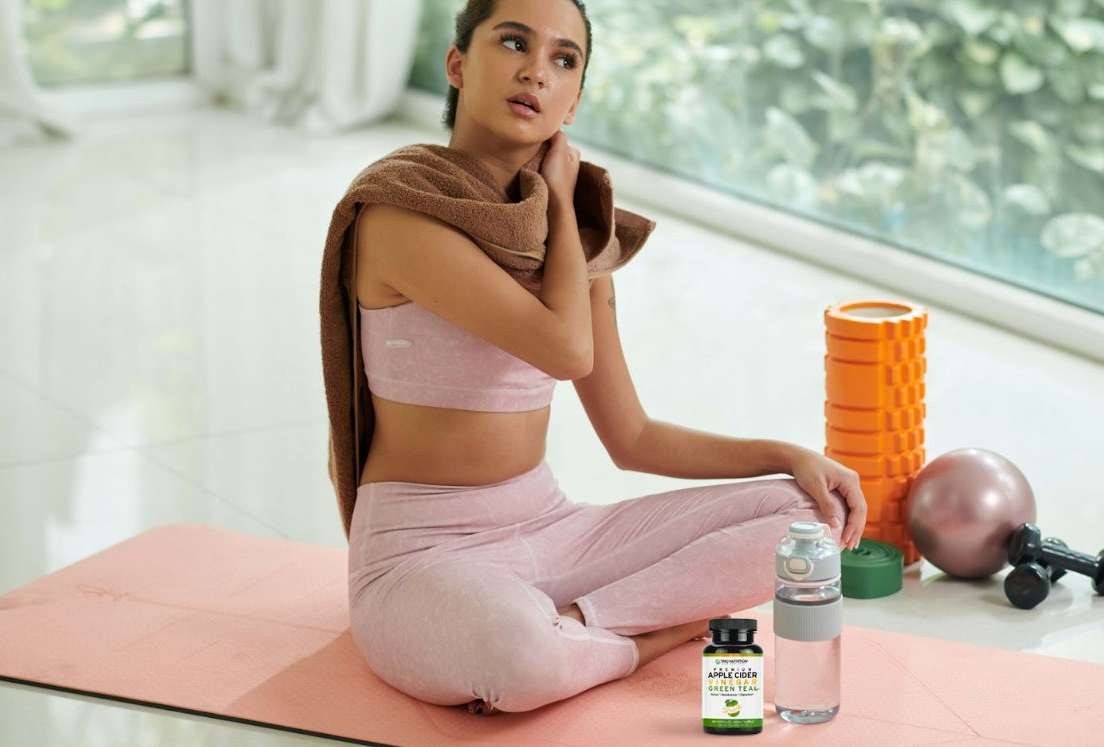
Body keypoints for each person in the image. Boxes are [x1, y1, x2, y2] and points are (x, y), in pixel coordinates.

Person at [344, 0, 867, 715]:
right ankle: (645, 636)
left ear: (574, 101)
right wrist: (561, 200)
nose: (537, 71)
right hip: (422, 551)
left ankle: (580, 624)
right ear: (457, 63)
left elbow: (633, 437)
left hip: (553, 529)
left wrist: (790, 454)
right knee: (517, 652)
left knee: (808, 516)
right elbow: (564, 349)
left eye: (564, 60)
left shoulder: (578, 249)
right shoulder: (400, 215)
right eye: (514, 43)